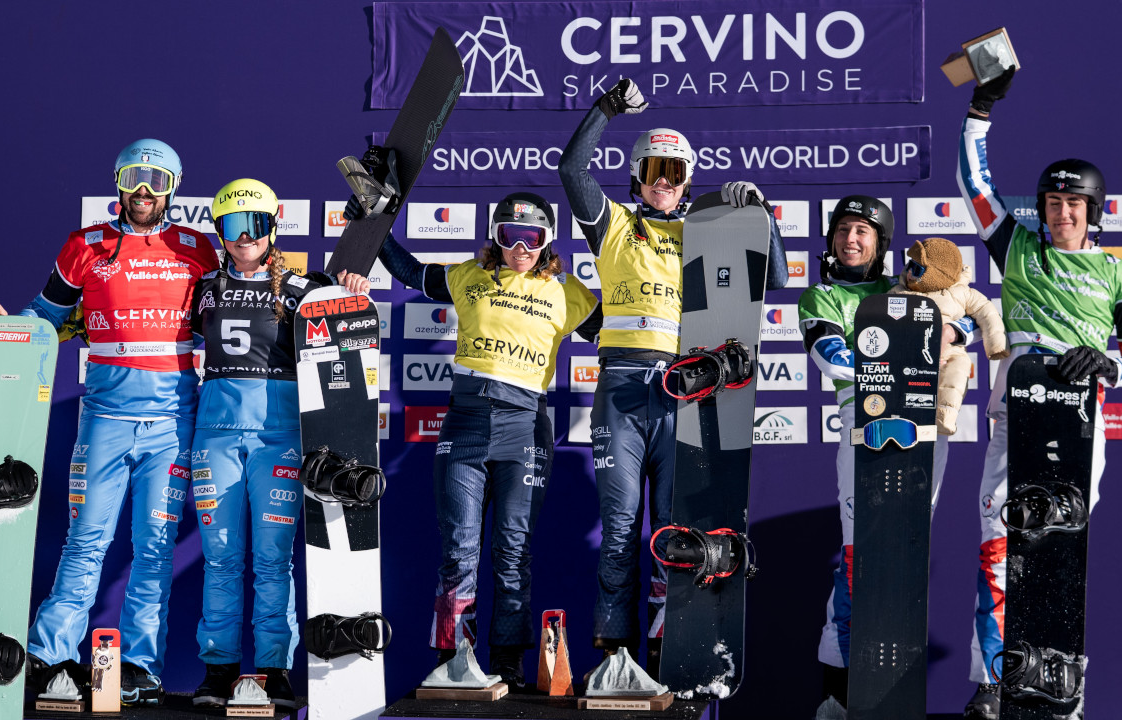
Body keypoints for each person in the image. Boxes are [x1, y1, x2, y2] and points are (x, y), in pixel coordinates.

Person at [0, 139, 220, 705]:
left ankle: (138, 667)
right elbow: (45, 317)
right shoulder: (85, 245)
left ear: (173, 187)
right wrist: (3, 322)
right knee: (85, 543)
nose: (145, 190)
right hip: (104, 419)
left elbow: (233, 316)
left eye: (157, 178)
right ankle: (49, 657)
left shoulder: (197, 248)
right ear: (118, 182)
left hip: (172, 424)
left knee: (154, 548)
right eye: (134, 176)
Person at [557, 78, 788, 674]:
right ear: (637, 176)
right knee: (618, 527)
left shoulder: (703, 235)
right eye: (656, 168)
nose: (665, 181)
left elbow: (779, 281)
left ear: (688, 180)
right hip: (623, 392)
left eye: (676, 171)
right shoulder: (612, 226)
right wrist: (606, 107)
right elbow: (572, 170)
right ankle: (614, 651)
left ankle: (666, 648)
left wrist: (761, 217)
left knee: (674, 530)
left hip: (685, 396)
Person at [956, 69, 1122, 719]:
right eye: (1052, 203)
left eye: (1074, 205)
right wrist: (980, 110)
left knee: (1058, 545)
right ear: (1040, 208)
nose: (1062, 213)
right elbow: (975, 186)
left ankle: (1058, 683)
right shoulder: (1016, 248)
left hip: (1079, 422)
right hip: (1016, 411)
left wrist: (1112, 364)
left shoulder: (1121, 274)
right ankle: (992, 680)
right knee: (997, 536)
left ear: (1093, 212)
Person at [363, 191, 598, 690]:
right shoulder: (471, 277)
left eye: (532, 238)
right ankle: (454, 659)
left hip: (526, 424)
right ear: (496, 236)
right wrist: (373, 219)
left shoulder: (568, 292)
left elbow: (622, 331)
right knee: (460, 549)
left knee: (514, 550)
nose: (520, 247)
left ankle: (508, 664)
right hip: (467, 420)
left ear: (547, 241)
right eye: (509, 235)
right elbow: (409, 271)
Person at [188, 179, 369, 707]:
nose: (243, 237)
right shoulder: (202, 287)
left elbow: (349, 329)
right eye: (231, 227)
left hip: (279, 440)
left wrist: (348, 292)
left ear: (273, 227)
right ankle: (218, 671)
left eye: (254, 225)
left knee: (272, 560)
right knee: (220, 557)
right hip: (215, 440)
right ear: (218, 231)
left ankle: (272, 671)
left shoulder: (302, 287)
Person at [798, 197, 977, 718]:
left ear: (881, 243)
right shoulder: (822, 295)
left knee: (904, 558)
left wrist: (953, 330)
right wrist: (902, 355)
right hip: (865, 430)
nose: (851, 239)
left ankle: (891, 692)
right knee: (861, 560)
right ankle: (839, 693)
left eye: (863, 231)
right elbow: (833, 361)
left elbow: (963, 314)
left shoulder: (907, 289)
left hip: (923, 429)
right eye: (843, 230)